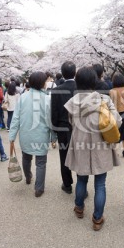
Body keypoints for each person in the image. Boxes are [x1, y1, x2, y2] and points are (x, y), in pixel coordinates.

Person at [64, 66, 122, 231]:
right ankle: (97, 218)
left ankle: (79, 208)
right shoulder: (104, 100)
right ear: (94, 81)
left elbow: (71, 123)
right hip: (101, 143)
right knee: (100, 184)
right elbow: (117, 122)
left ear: (77, 82)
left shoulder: (72, 102)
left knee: (81, 179)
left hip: (80, 142)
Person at [9, 72, 55, 197]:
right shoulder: (47, 99)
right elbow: (50, 120)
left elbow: (16, 118)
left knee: (26, 157)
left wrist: (12, 136)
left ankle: (28, 177)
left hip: (26, 134)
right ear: (42, 83)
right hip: (41, 135)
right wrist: (53, 136)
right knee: (41, 162)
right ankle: (39, 188)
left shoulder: (23, 97)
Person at [51, 61, 76, 194]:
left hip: (62, 127)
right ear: (75, 72)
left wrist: (55, 129)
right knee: (80, 156)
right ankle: (81, 183)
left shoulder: (56, 91)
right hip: (79, 127)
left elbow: (54, 112)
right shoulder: (81, 88)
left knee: (64, 156)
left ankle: (67, 185)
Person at [109, 73, 124, 157]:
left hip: (116, 113)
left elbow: (110, 103)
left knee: (117, 131)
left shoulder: (112, 91)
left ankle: (116, 151)